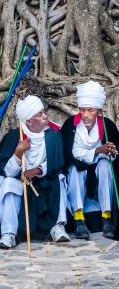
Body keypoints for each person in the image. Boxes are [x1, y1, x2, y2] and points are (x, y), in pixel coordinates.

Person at [0, 96, 70, 249]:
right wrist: (18, 152)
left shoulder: (53, 135)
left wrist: (38, 170)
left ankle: (58, 226)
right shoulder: (14, 136)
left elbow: (57, 162)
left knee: (60, 178)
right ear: (29, 121)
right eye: (40, 114)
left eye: (44, 112)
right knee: (8, 184)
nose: (45, 116)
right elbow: (6, 171)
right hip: (20, 182)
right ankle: (9, 234)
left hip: (44, 180)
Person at [62, 81, 119, 240]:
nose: (85, 114)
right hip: (79, 166)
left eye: (90, 110)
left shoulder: (107, 126)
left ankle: (106, 217)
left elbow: (116, 153)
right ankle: (79, 218)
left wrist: (112, 152)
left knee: (105, 166)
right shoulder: (71, 125)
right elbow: (72, 153)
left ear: (99, 111)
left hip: (99, 166)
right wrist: (96, 150)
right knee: (74, 170)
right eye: (82, 110)